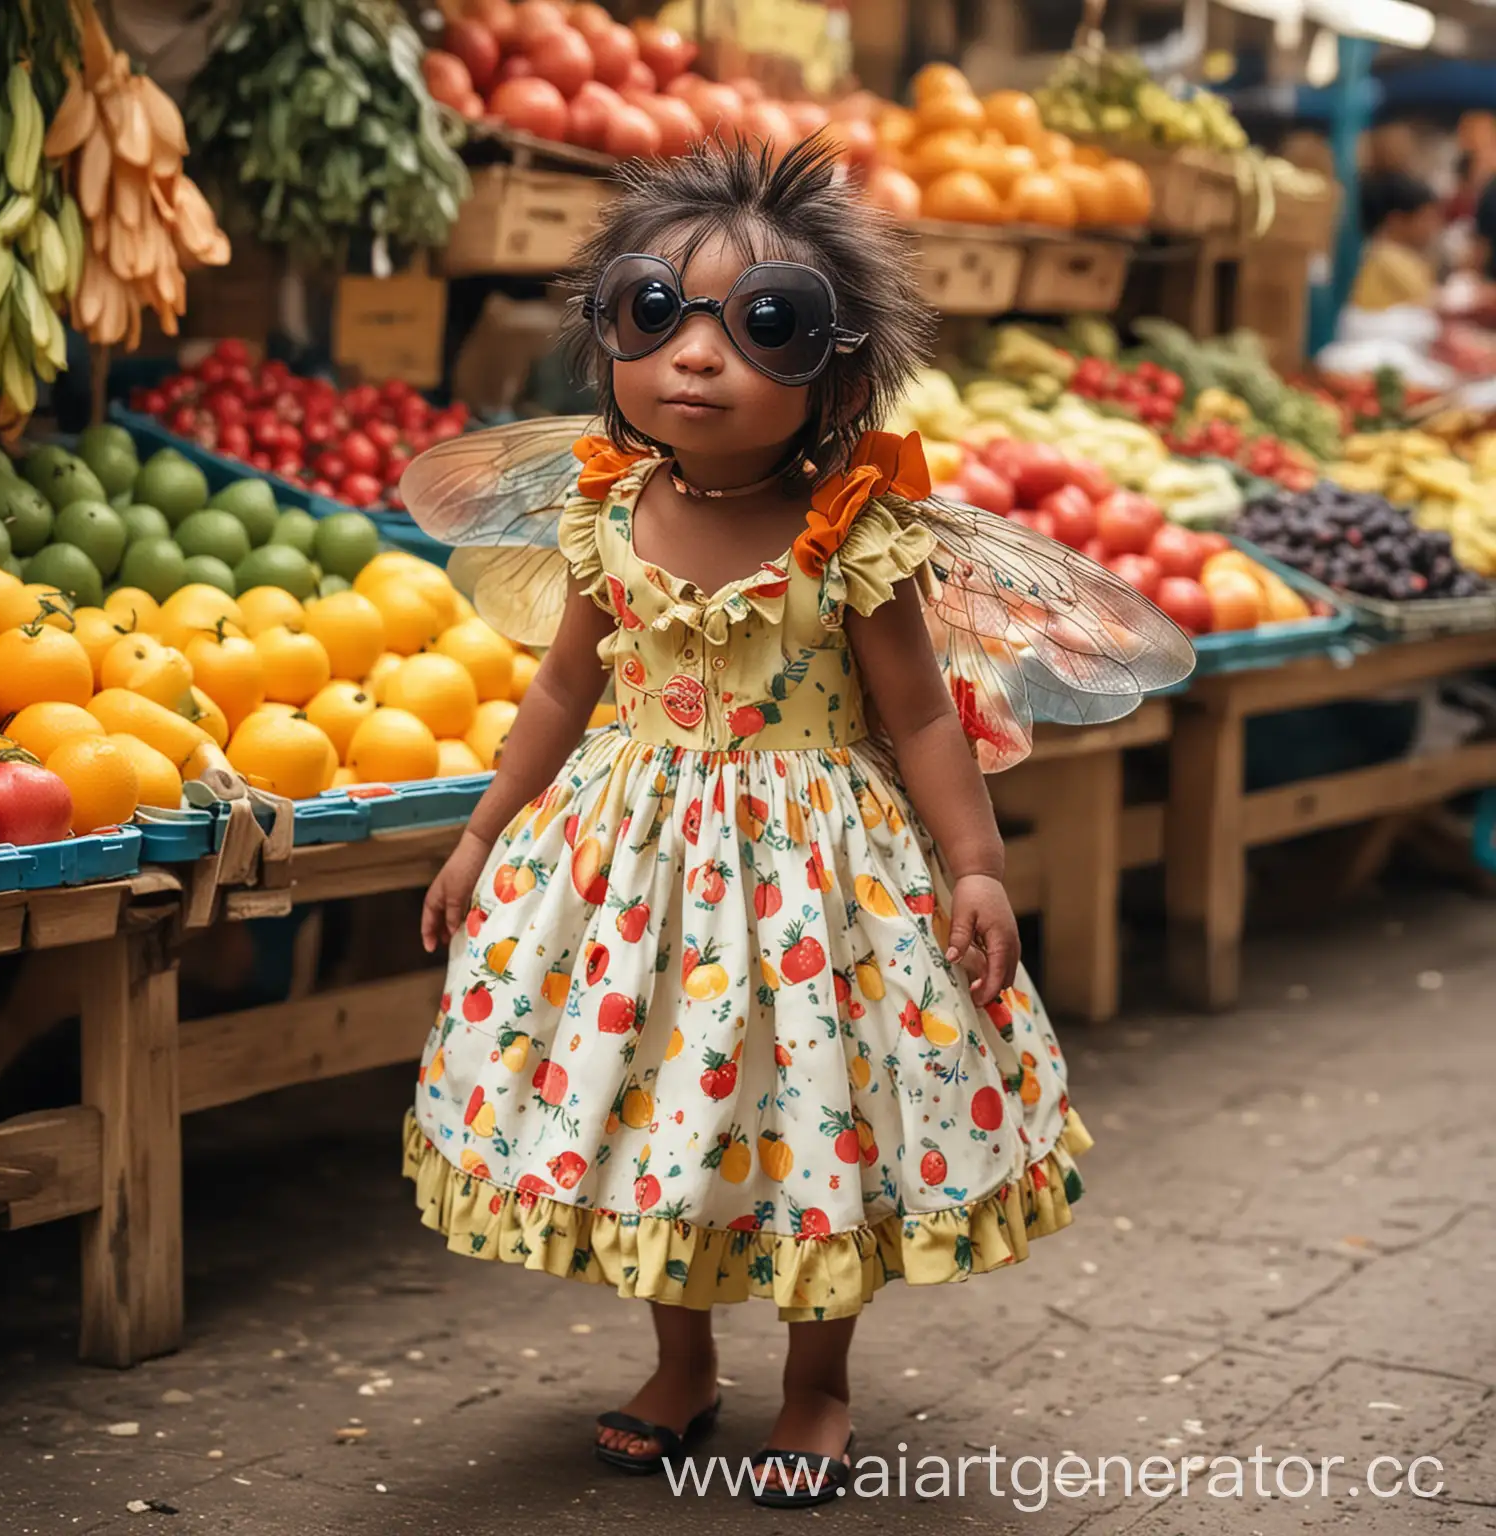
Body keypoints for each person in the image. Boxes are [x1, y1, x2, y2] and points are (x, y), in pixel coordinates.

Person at [399, 138, 1190, 1507]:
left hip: (820, 888)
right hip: (627, 880)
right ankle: (682, 1361)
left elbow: (927, 720)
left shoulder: (856, 535)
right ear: (609, 338)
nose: (696, 355)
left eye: (763, 324)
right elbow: (564, 686)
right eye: (656, 311)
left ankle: (816, 1383)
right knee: (656, 1108)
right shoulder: (605, 513)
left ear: (835, 371)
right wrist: (483, 833)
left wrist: (978, 867)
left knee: (816, 1114)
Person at [1350, 169, 1443, 313]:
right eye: (1426, 218)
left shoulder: (1402, 256)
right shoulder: (1385, 258)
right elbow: (1433, 305)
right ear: (1396, 221)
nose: (1433, 226)